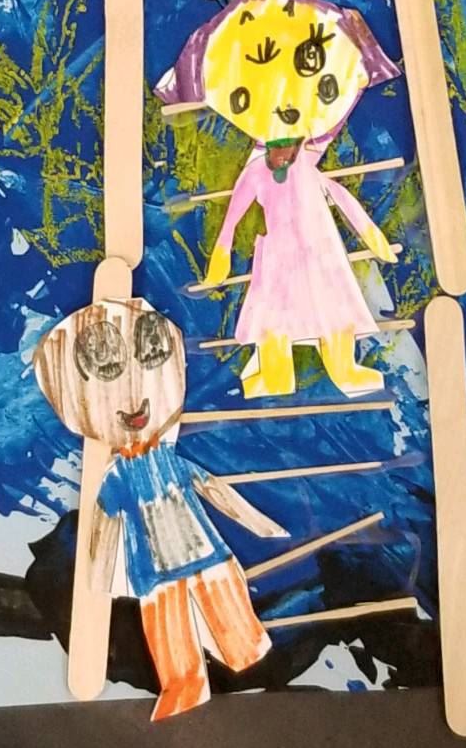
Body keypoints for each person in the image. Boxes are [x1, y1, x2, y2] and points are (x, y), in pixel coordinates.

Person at [33, 294, 286, 720]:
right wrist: (100, 581)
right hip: (153, 571)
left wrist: (257, 523)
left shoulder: (170, 461)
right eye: (108, 376)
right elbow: (107, 527)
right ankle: (184, 684)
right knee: (169, 631)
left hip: (206, 551)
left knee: (230, 610)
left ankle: (245, 650)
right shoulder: (116, 478)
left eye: (150, 358)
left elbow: (211, 488)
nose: (133, 397)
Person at [156, 0, 402, 398]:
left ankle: (342, 369)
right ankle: (276, 373)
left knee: (333, 309)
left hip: (321, 252)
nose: (284, 107)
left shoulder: (304, 165)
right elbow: (234, 217)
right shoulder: (257, 172)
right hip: (279, 255)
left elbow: (339, 197)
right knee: (274, 317)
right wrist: (220, 258)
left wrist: (374, 238)